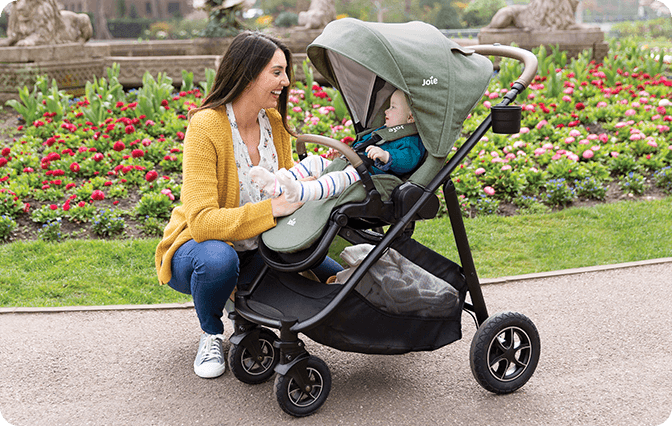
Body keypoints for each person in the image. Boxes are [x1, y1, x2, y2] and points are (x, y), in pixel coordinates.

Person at [154, 31, 342, 379]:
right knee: (219, 262)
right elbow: (202, 223)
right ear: (247, 73)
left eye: (285, 72)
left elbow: (288, 189)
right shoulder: (206, 126)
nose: (286, 81)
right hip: (199, 251)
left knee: (338, 275)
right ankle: (211, 332)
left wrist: (320, 181)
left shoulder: (273, 124)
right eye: (277, 72)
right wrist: (270, 211)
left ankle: (243, 305)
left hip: (259, 246)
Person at [249, 89, 425, 203]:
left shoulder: (409, 140)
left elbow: (408, 160)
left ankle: (300, 192)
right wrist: (343, 157)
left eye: (393, 108)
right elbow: (361, 150)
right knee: (314, 161)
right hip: (354, 167)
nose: (386, 111)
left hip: (368, 180)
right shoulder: (383, 132)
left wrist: (387, 157)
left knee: (338, 180)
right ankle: (276, 185)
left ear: (410, 118)